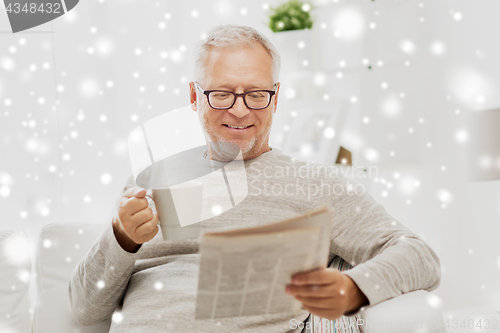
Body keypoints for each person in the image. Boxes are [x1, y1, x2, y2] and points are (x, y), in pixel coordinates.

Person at [69, 24, 441, 333]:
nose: (240, 110)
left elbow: (419, 256)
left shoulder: (315, 184)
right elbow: (85, 310)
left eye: (256, 95)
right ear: (194, 97)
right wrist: (121, 237)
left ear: (276, 98)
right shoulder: (151, 179)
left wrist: (356, 288)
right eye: (222, 94)